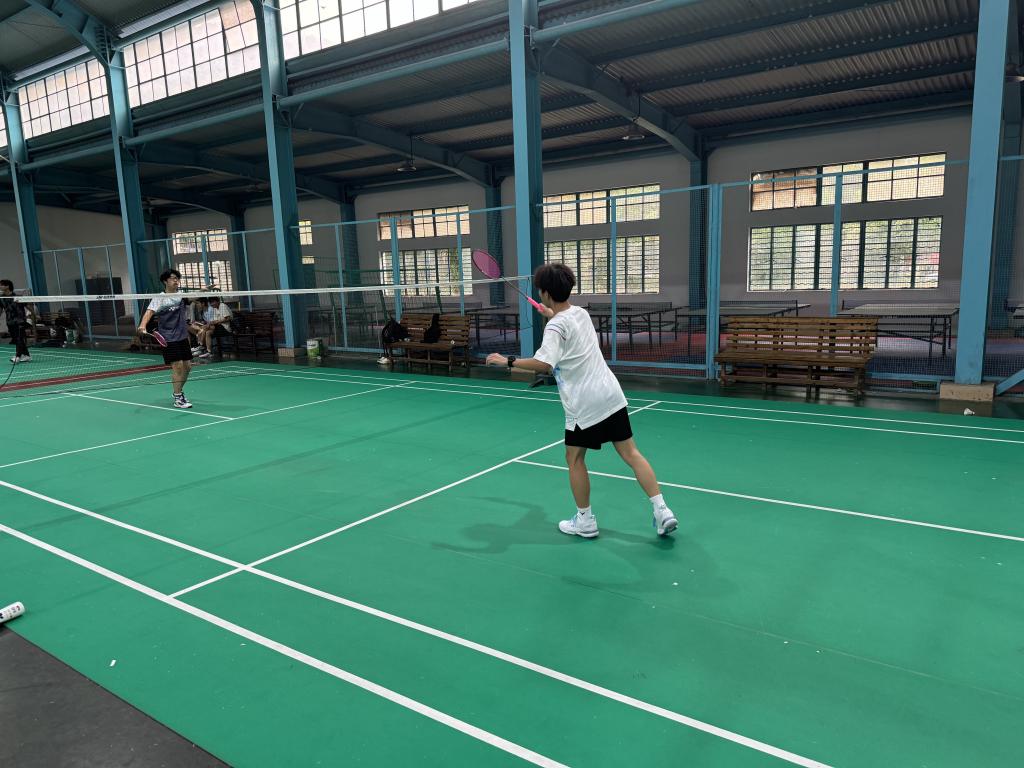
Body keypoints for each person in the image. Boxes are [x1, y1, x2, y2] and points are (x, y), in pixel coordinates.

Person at [486, 263, 677, 539]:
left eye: (540, 289)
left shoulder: (555, 327)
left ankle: (585, 521)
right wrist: (550, 315)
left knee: (574, 458)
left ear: (546, 293)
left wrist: (507, 361)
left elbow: (544, 364)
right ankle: (662, 510)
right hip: (610, 394)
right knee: (631, 454)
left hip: (584, 403)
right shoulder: (581, 313)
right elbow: (565, 326)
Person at [137, 269, 196, 409]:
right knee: (178, 365)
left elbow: (195, 297)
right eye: (173, 278)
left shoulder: (181, 296)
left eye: (177, 278)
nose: (176, 280)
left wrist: (204, 290)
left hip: (182, 336)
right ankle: (178, 397)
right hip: (168, 337)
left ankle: (178, 391)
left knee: (187, 367)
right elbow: (149, 312)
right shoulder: (160, 298)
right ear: (165, 281)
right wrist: (142, 325)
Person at [0, 279, 31, 363]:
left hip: (20, 321)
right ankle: (27, 355)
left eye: (2, 285)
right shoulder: (1, 298)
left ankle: (17, 356)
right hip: (9, 322)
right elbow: (0, 310)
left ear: (7, 286)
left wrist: (33, 315)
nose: (0, 286)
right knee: (16, 339)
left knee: (19, 338)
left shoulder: (18, 297)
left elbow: (28, 306)